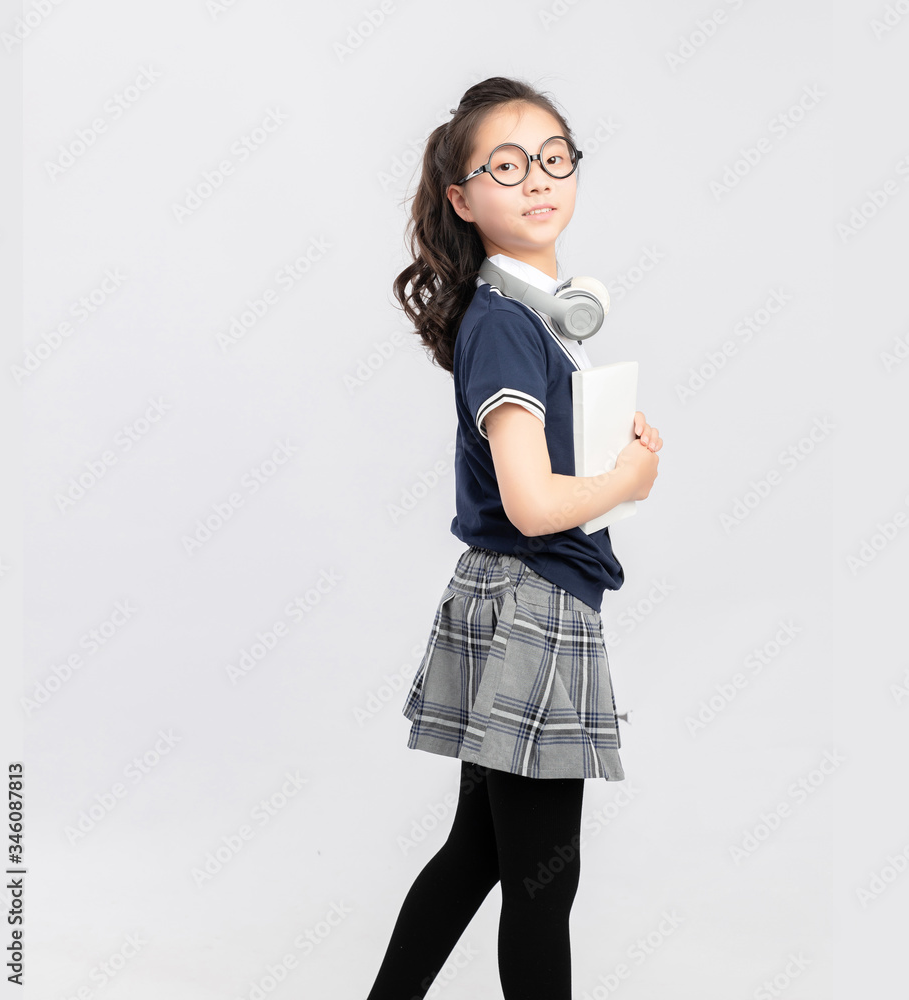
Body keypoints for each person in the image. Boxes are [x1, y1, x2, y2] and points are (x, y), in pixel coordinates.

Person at [363, 75, 663, 1000]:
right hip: (534, 600)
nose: (537, 180)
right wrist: (627, 480)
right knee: (544, 878)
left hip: (516, 595)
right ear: (463, 197)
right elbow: (532, 504)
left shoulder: (524, 316)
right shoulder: (504, 327)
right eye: (506, 166)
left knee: (479, 854)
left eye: (553, 159)